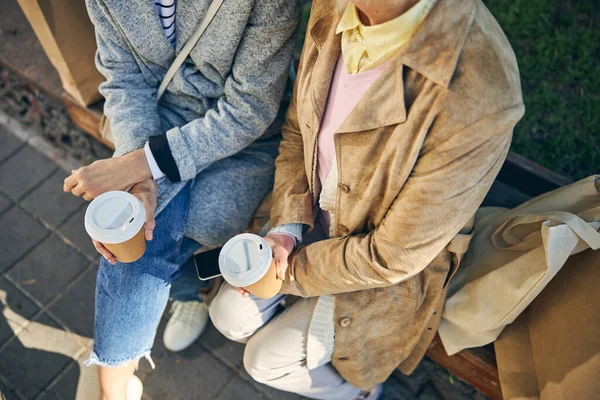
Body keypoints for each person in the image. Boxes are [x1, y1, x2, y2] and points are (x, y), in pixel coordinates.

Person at [209, 0, 525, 399]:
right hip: (311, 225)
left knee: (263, 360)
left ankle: (359, 393)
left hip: (383, 274)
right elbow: (296, 132)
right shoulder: (336, 5)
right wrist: (286, 231)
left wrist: (284, 275)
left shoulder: (482, 90)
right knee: (227, 317)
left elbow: (391, 257)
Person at [62, 0, 299, 398]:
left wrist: (142, 164)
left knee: (199, 225)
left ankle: (188, 292)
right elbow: (123, 79)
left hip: (242, 139)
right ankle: (114, 391)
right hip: (157, 118)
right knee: (133, 240)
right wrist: (142, 179)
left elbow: (250, 109)